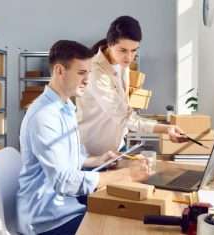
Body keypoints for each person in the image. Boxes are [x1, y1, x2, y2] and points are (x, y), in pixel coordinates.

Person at [16, 40, 150, 235]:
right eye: (81, 73)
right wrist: (126, 174)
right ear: (60, 71)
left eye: (88, 72)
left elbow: (69, 159)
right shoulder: (44, 115)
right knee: (119, 227)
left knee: (131, 216)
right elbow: (64, 181)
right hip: (47, 220)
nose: (87, 80)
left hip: (66, 205)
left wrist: (99, 160)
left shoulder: (66, 107)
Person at [76, 16, 187, 156]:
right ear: (110, 44)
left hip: (117, 146)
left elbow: (124, 108)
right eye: (123, 50)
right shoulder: (95, 73)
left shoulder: (121, 64)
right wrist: (166, 129)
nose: (129, 57)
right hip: (92, 152)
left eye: (134, 50)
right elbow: (124, 117)